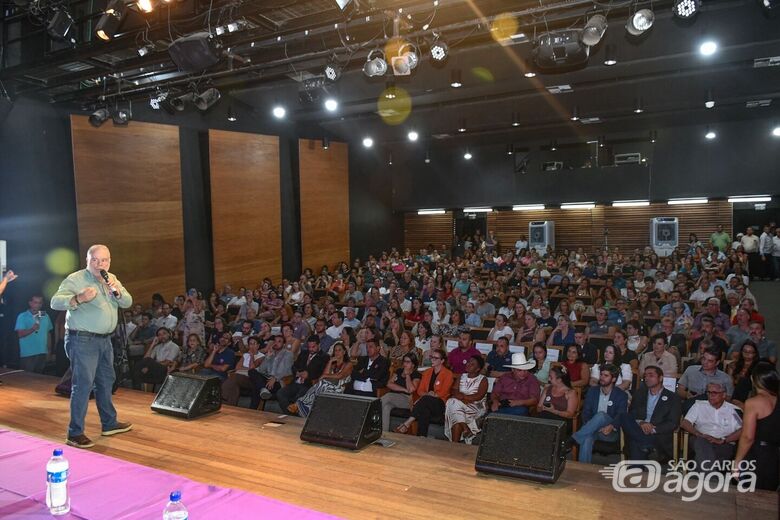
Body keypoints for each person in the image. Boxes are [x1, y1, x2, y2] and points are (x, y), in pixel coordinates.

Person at [50, 244, 133, 449]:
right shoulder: (76, 279)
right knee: (83, 385)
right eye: (95, 260)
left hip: (105, 340)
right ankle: (75, 433)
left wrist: (117, 292)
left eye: (104, 260)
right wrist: (78, 298)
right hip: (82, 340)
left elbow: (128, 302)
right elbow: (55, 302)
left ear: (109, 261)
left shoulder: (111, 278)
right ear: (87, 260)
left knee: (106, 382)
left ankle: (109, 423)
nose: (99, 264)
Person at [618, 366, 682, 462]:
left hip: (657, 434)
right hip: (638, 428)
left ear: (660, 378)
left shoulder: (673, 398)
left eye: (651, 375)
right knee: (623, 416)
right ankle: (645, 444)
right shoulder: (639, 394)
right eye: (645, 376)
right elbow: (632, 413)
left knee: (635, 443)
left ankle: (643, 447)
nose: (647, 378)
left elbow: (673, 423)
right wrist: (641, 423)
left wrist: (652, 429)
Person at [733, 362, 780, 491]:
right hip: (774, 456)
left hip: (756, 455)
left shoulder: (753, 403)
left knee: (748, 495)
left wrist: (737, 462)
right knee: (768, 497)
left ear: (753, 379)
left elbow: (747, 437)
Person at [569, 364, 628, 464]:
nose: (602, 377)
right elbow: (586, 413)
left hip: (610, 432)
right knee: (587, 438)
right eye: (601, 375)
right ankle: (583, 468)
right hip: (592, 429)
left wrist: (611, 426)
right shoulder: (592, 391)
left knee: (601, 415)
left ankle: (574, 439)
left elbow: (621, 415)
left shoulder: (621, 395)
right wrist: (592, 425)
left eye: (606, 375)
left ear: (613, 379)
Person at [681, 383, 742, 471]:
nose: (710, 395)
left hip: (724, 443)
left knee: (704, 456)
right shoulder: (699, 405)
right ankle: (712, 476)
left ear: (724, 394)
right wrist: (698, 434)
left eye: (714, 393)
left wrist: (722, 440)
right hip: (700, 438)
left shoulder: (734, 410)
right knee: (702, 444)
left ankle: (704, 474)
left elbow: (742, 430)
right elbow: (685, 423)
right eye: (708, 392)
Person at [394, 347, 455, 436]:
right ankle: (421, 437)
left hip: (440, 403)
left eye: (435, 358)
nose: (432, 360)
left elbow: (444, 392)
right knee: (424, 410)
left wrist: (430, 395)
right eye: (431, 357)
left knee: (425, 401)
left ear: (442, 361)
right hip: (425, 402)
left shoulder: (448, 374)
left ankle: (407, 424)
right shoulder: (427, 372)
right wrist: (427, 394)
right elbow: (420, 391)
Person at [293, 341, 353, 417]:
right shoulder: (333, 364)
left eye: (339, 350)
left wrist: (325, 376)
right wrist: (330, 362)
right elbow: (325, 374)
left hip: (339, 388)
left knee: (321, 383)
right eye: (335, 350)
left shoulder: (348, 364)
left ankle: (300, 403)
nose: (337, 352)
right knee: (321, 385)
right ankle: (307, 409)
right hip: (327, 386)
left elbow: (339, 376)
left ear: (344, 352)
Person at [276, 335, 329, 411]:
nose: (311, 349)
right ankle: (289, 413)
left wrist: (308, 375)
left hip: (309, 385)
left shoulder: (324, 357)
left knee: (298, 397)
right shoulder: (304, 353)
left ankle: (292, 412)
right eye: (309, 347)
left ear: (319, 345)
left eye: (313, 347)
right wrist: (297, 372)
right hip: (296, 382)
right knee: (280, 393)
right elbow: (294, 366)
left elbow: (322, 373)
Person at [444, 355, 488, 443]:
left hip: (475, 408)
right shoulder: (462, 376)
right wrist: (461, 399)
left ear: (478, 369)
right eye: (468, 362)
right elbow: (454, 390)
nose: (468, 364)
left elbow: (479, 396)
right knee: (453, 405)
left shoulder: (483, 380)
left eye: (472, 364)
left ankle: (463, 430)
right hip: (459, 406)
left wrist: (463, 397)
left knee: (452, 403)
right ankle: (464, 428)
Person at [248, 335, 294, 409]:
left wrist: (275, 378)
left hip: (279, 381)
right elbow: (261, 370)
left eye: (279, 341)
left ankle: (252, 409)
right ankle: (263, 389)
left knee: (256, 387)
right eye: (275, 341)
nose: (276, 343)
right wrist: (268, 357)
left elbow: (287, 370)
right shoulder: (270, 354)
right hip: (267, 380)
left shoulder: (288, 354)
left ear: (284, 344)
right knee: (252, 371)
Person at [381, 353, 422, 431]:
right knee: (386, 407)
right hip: (394, 398)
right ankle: (384, 432)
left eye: (408, 362)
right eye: (404, 361)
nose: (405, 364)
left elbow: (411, 390)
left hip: (407, 400)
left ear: (413, 364)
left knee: (388, 396)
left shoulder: (416, 374)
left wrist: (407, 375)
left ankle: (370, 414)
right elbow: (389, 384)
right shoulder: (399, 371)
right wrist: (404, 389)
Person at [15, 294, 53, 373]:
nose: (38, 305)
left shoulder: (45, 315)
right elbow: (20, 334)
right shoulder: (23, 316)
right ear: (30, 303)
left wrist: (49, 350)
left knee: (39, 377)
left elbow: (48, 333)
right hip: (28, 353)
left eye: (40, 303)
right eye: (35, 302)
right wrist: (32, 329)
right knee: (26, 377)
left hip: (42, 352)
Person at [221, 336, 265, 406]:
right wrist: (246, 368)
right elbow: (237, 367)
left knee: (233, 378)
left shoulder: (261, 356)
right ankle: (229, 405)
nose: (252, 346)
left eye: (254, 344)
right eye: (250, 344)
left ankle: (223, 397)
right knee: (233, 383)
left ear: (258, 345)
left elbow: (252, 368)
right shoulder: (245, 355)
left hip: (250, 378)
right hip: (239, 376)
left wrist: (251, 357)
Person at [536, 366, 578, 434]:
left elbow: (570, 414)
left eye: (551, 377)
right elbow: (538, 407)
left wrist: (554, 411)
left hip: (561, 421)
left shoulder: (570, 393)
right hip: (545, 417)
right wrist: (543, 408)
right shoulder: (547, 389)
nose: (548, 379)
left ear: (559, 380)